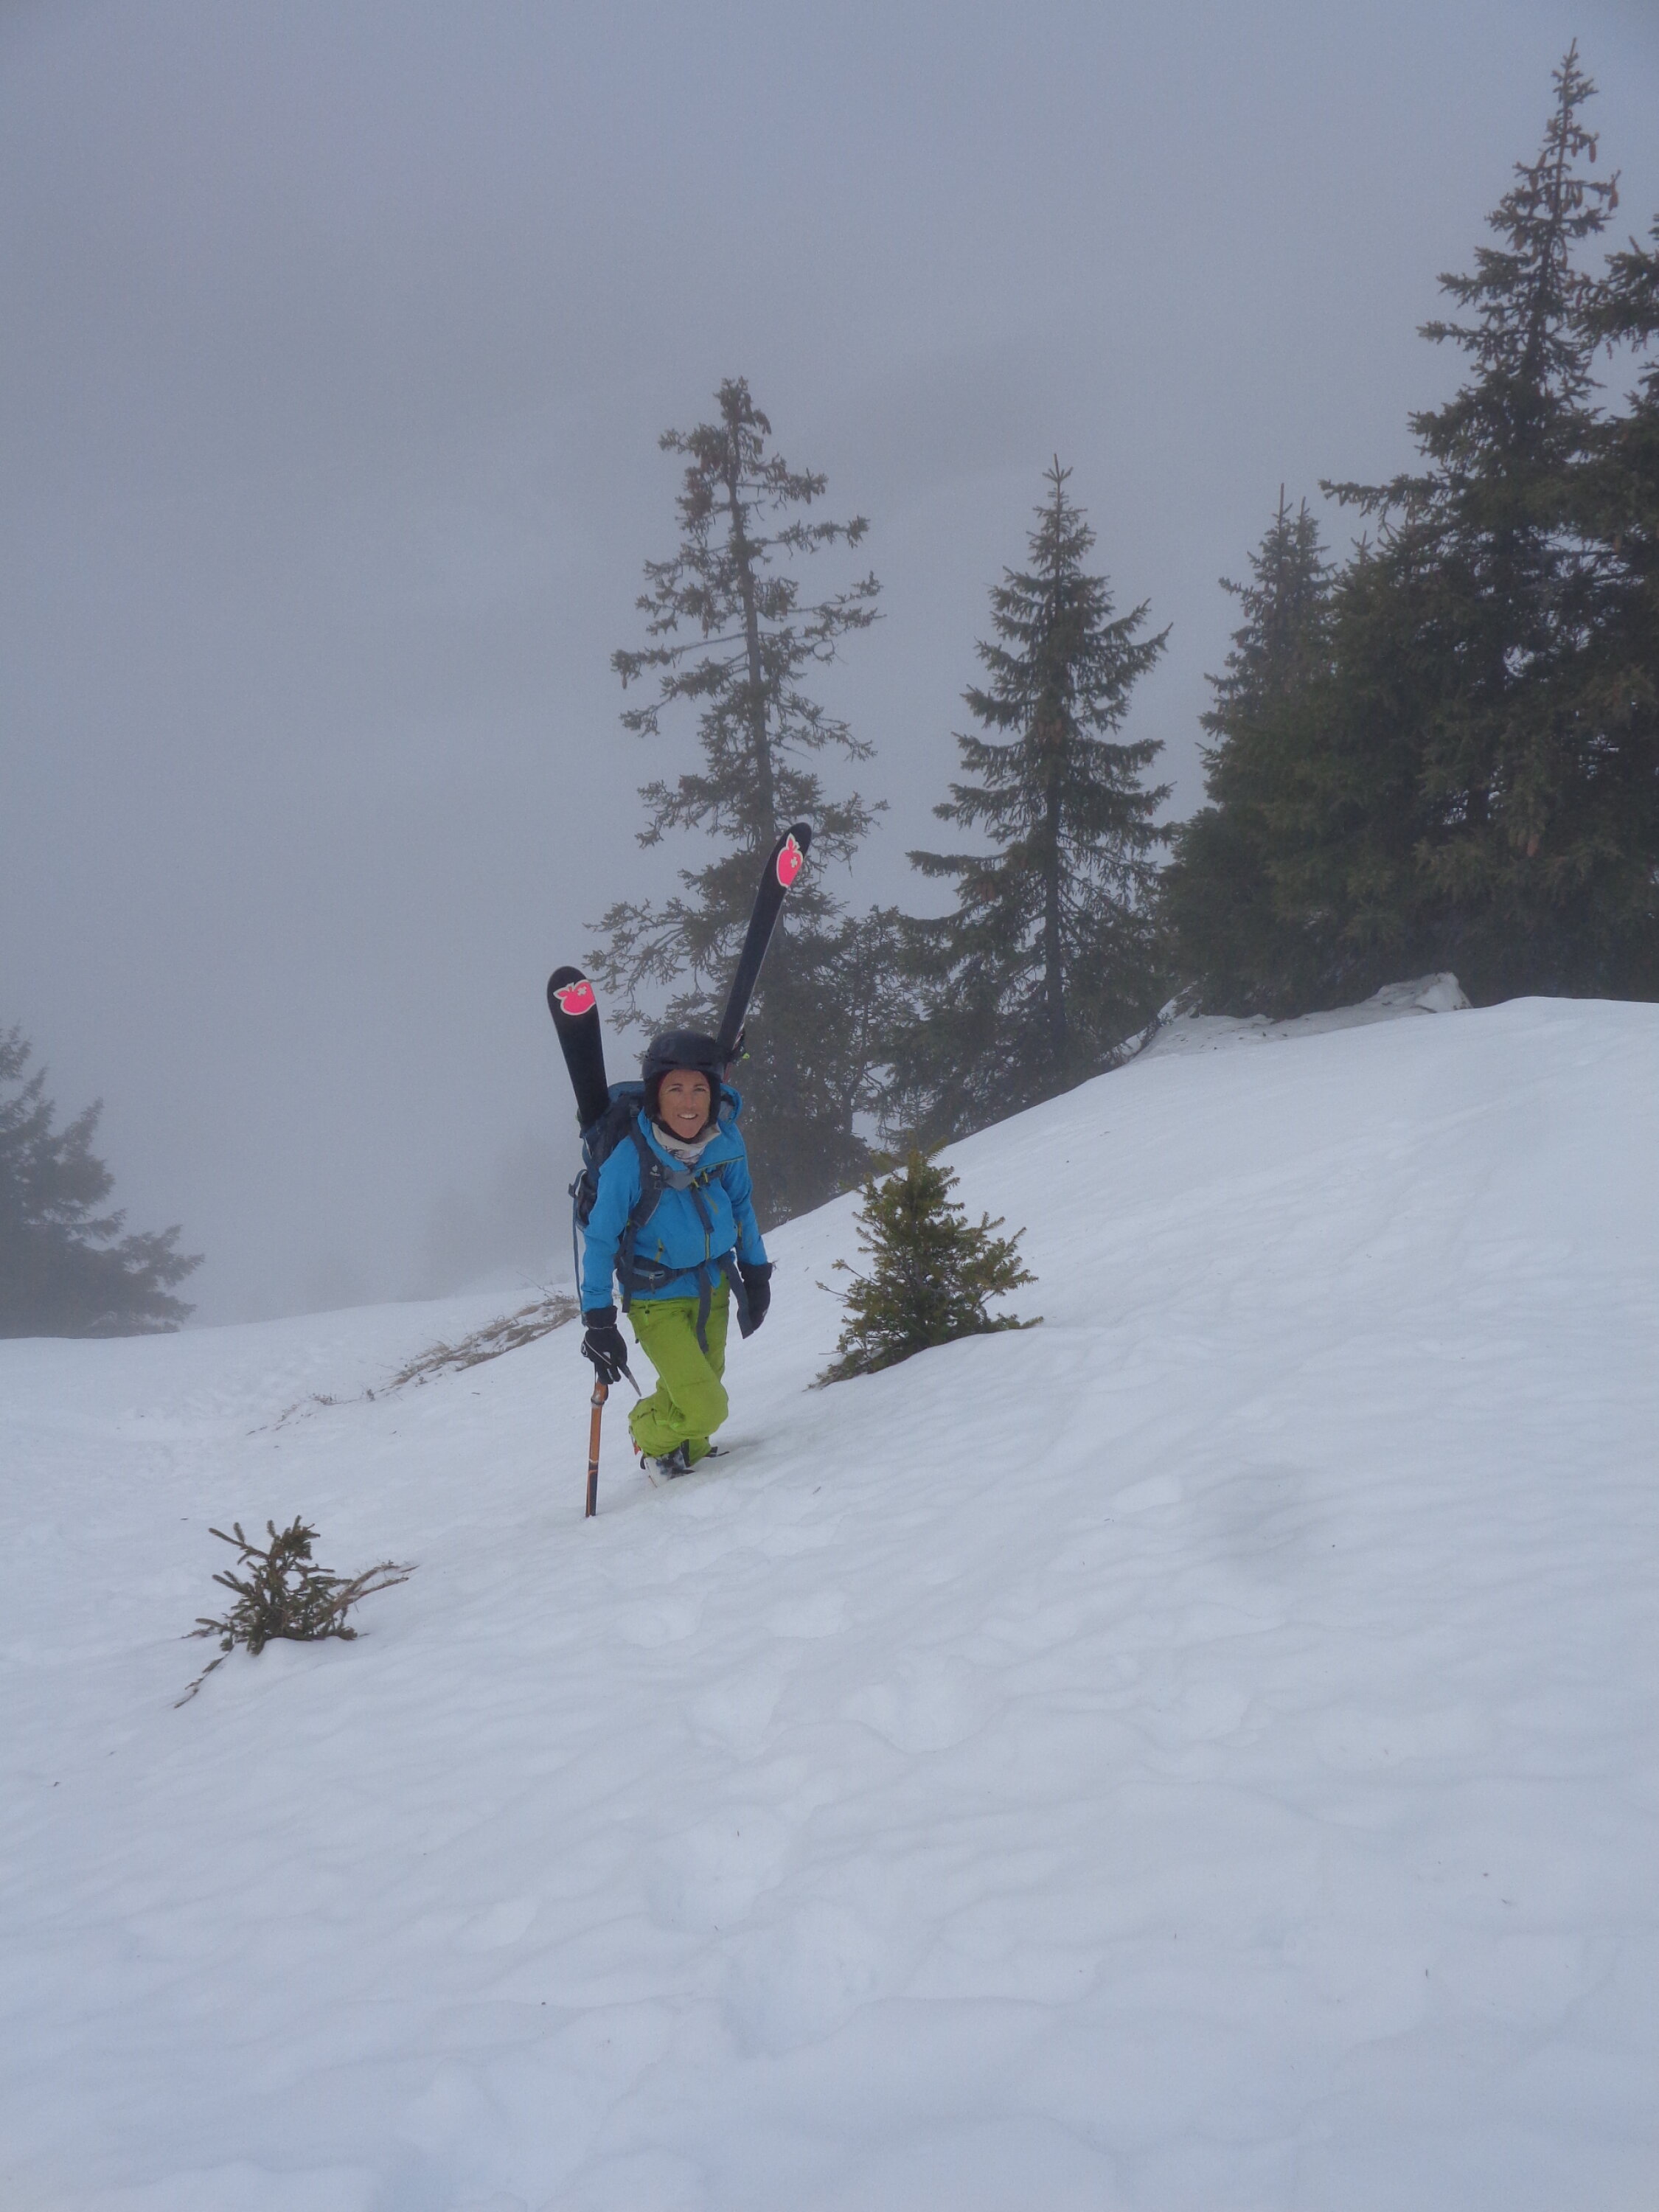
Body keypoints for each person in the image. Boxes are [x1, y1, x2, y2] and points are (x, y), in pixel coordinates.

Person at [578, 1029, 773, 1478]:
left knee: (698, 1395)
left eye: (700, 1090)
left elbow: (741, 1207)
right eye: (676, 1090)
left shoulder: (725, 1143)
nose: (689, 1103)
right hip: (656, 1300)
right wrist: (599, 1320)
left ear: (714, 1095)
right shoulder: (629, 1162)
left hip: (714, 1286)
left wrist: (756, 1270)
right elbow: (601, 1242)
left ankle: (686, 1462)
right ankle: (645, 1432)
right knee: (707, 1406)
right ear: (656, 1097)